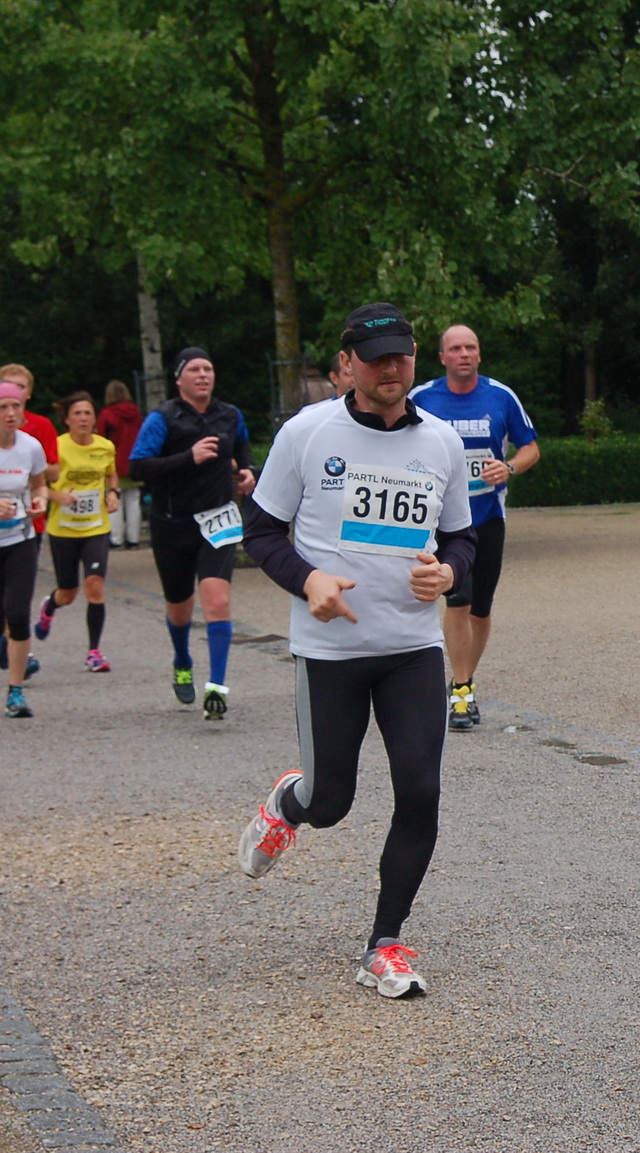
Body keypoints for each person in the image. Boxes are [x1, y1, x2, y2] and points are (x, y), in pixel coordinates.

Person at [238, 301, 475, 999]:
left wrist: (451, 571)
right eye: (376, 358)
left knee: (422, 790)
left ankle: (386, 940)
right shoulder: (307, 434)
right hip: (331, 649)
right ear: (348, 363)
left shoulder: (441, 443)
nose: (391, 368)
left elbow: (462, 536)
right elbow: (261, 533)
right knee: (332, 799)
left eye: (401, 355)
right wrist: (309, 578)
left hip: (410, 647)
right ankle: (291, 799)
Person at [408, 324, 540, 731]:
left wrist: (510, 468)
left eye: (471, 347)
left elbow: (531, 447)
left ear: (479, 355)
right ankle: (462, 690)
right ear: (442, 357)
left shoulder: (501, 396)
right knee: (457, 601)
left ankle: (464, 675)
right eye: (455, 348)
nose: (464, 354)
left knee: (481, 609)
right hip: (442, 522)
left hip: (488, 517)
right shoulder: (422, 397)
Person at [130, 347, 255, 719]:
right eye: (195, 370)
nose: (204, 375)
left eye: (209, 369)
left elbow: (243, 444)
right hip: (173, 523)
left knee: (217, 601)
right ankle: (182, 659)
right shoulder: (162, 418)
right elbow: (138, 467)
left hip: (217, 520)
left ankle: (216, 686)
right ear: (179, 378)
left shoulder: (229, 414)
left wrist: (247, 469)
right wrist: (190, 456)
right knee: (180, 608)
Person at [35, 391, 119, 672]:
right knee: (68, 592)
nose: (83, 419)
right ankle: (50, 606)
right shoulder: (55, 448)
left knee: (94, 586)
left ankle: (94, 651)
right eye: (77, 414)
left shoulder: (105, 446)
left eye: (88, 413)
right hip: (63, 530)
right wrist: (57, 497)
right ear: (66, 419)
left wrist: (114, 493)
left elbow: (111, 473)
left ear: (95, 418)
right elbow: (35, 484)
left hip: (96, 528)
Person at [0, 364, 58, 682]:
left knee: (19, 612)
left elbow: (40, 483)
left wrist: (41, 501)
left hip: (21, 536)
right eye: (4, 406)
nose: (11, 412)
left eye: (16, 405)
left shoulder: (30, 445)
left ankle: (16, 692)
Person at [97, 380, 144, 549]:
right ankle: (133, 539)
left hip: (113, 463)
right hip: (134, 462)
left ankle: (116, 538)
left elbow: (101, 439)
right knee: (133, 501)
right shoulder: (136, 414)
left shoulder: (106, 414)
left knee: (114, 498)